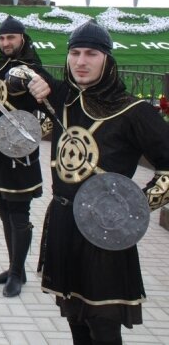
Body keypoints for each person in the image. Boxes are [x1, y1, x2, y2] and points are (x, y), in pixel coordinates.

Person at [27, 20, 169, 345]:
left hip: (106, 233)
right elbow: (24, 70)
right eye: (74, 52)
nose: (80, 62)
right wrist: (29, 80)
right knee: (75, 317)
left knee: (103, 325)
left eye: (91, 53)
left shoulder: (134, 111)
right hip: (64, 223)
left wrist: (136, 206)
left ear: (107, 59)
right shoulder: (64, 99)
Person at [0, 15, 45, 297]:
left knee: (19, 212)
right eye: (2, 38)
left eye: (11, 37)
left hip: (21, 150)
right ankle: (11, 266)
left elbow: (38, 100)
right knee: (3, 207)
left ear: (22, 38)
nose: (6, 43)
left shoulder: (32, 67)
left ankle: (18, 274)